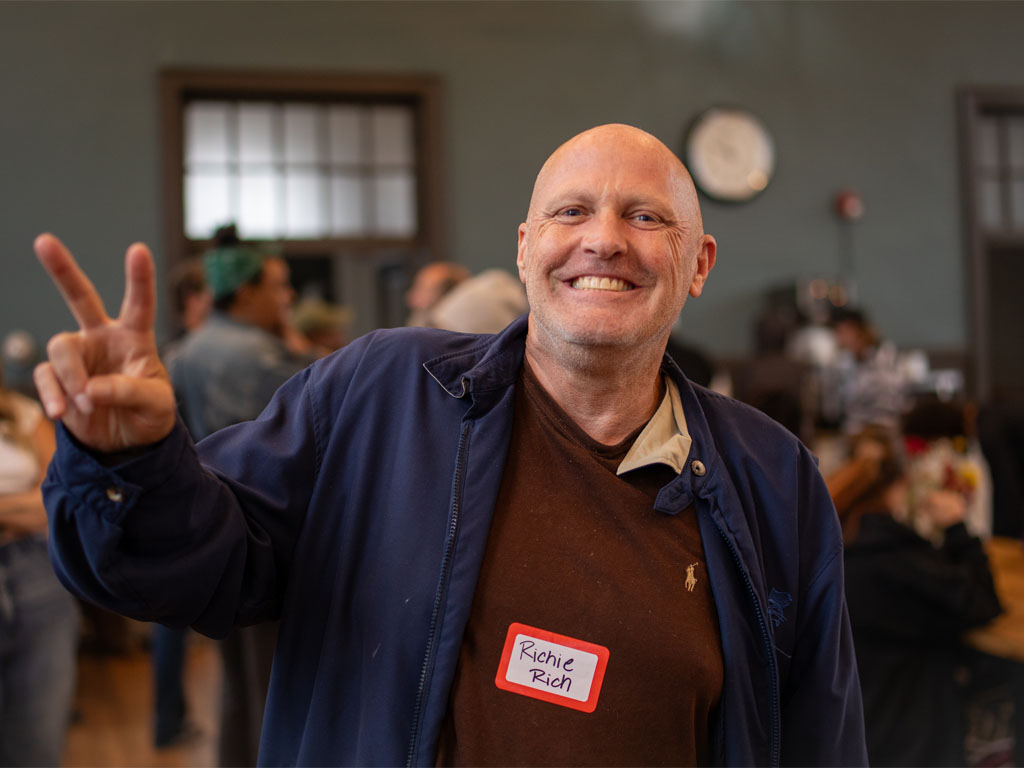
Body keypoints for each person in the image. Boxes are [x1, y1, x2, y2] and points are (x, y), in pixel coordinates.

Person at [33, 124, 866, 766]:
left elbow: (819, 731)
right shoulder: (383, 394)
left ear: (699, 264)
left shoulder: (769, 476)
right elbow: (204, 568)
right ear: (525, 247)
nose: (604, 239)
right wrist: (132, 461)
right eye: (571, 211)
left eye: (646, 217)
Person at [832, 404, 1002, 766]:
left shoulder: (835, 548)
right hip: (916, 737)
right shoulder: (899, 561)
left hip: (859, 731)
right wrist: (958, 529)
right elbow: (983, 604)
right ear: (899, 487)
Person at [0, 360, 79, 766]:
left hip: (35, 573)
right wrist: (22, 504)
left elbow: (59, 495)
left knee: (38, 740)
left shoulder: (20, 412)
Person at [405, 261, 471, 327]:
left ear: (447, 294)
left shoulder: (450, 328)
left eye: (421, 289)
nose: (410, 296)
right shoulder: (420, 318)